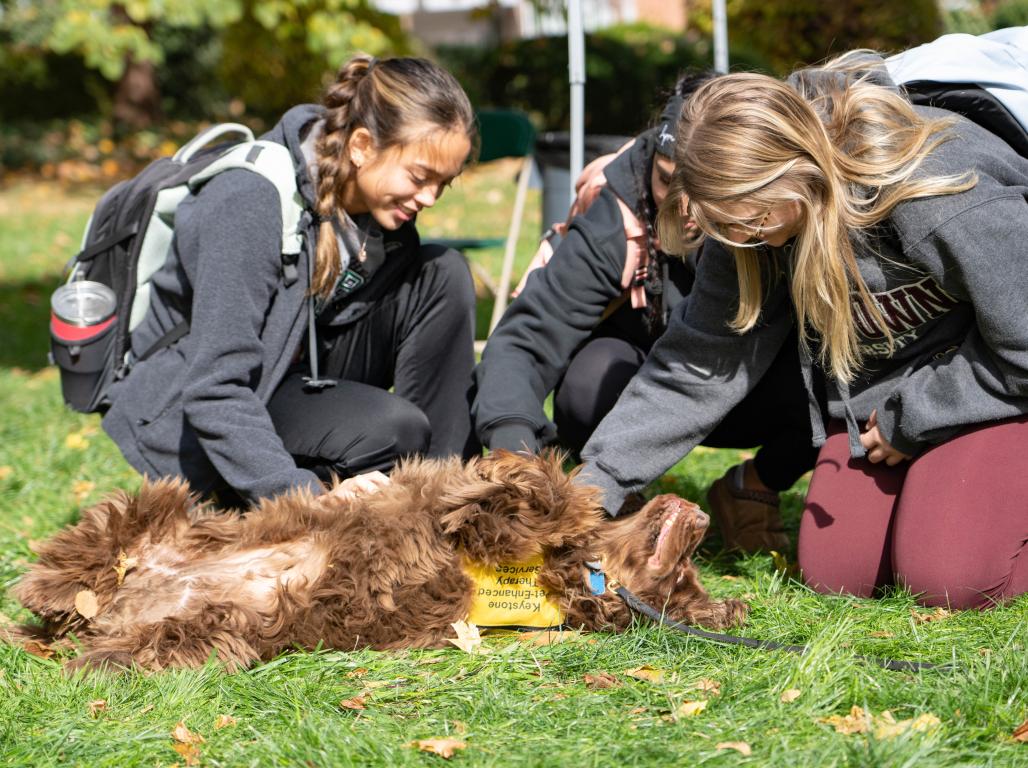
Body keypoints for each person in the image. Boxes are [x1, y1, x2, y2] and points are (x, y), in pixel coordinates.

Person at [577, 51, 1028, 609]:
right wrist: (594, 488)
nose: (740, 237)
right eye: (727, 226)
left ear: (794, 173)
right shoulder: (748, 212)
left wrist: (915, 418)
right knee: (840, 572)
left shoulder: (934, 193)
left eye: (750, 221)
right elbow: (698, 363)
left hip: (1001, 388)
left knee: (950, 578)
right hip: (881, 410)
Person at [101, 55, 479, 506]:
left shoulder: (383, 217)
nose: (430, 198)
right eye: (420, 177)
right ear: (361, 146)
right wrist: (303, 494)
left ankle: (441, 501)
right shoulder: (248, 200)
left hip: (297, 374)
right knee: (393, 430)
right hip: (207, 407)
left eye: (444, 183)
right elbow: (213, 389)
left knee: (444, 271)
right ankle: (258, 500)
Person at [472, 73, 819, 553]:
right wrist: (514, 451)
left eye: (709, 190)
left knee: (826, 368)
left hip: (763, 386)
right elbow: (526, 339)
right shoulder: (619, 213)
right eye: (667, 179)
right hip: (651, 393)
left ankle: (757, 485)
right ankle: (618, 498)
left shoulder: (778, 211)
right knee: (588, 379)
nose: (688, 209)